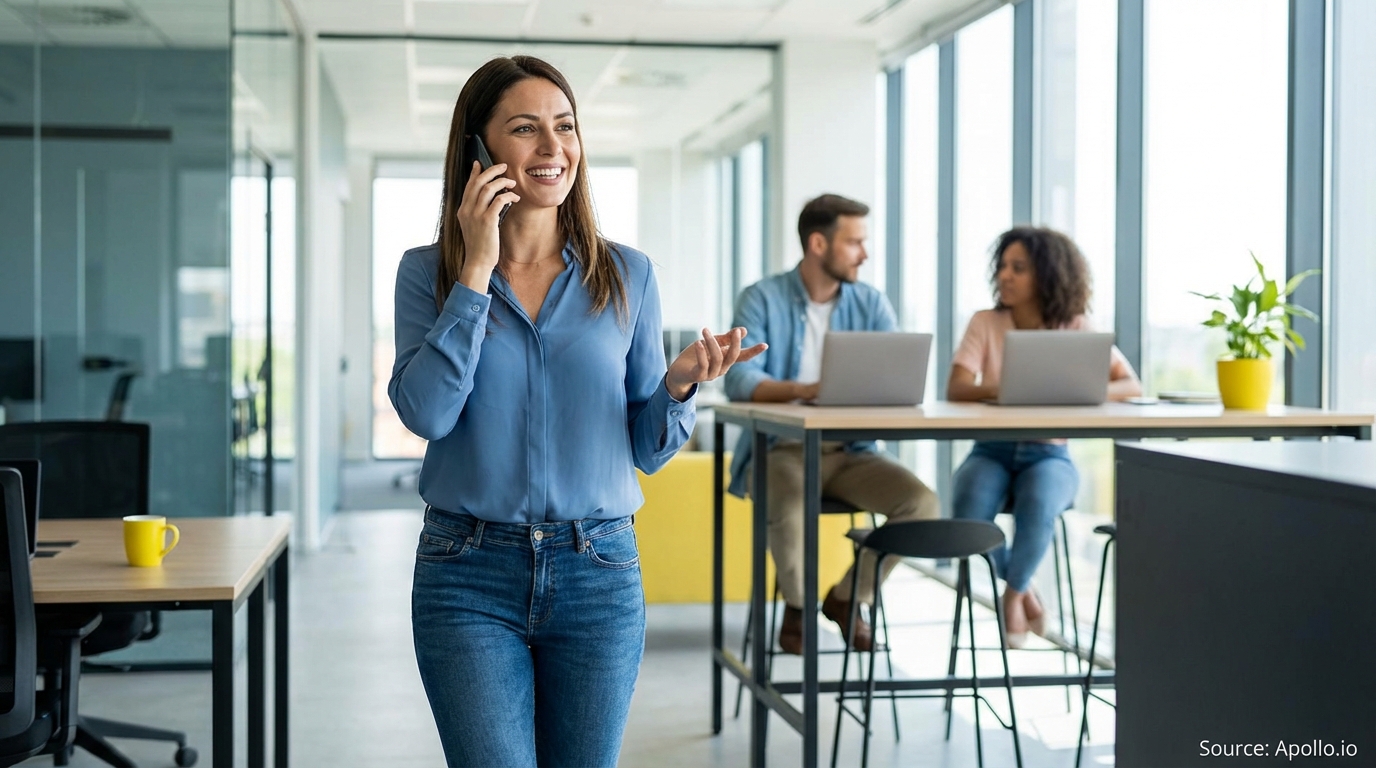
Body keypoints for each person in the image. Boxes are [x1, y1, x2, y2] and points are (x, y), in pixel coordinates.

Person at [388, 55, 764, 767]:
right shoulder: (426, 271)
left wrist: (679, 387)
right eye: (525, 129)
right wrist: (475, 270)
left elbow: (647, 449)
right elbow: (428, 414)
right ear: (478, 149)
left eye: (565, 127)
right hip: (467, 571)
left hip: (598, 568)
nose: (553, 148)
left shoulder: (627, 274)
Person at [724, 194, 940, 655]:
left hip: (853, 452)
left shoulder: (872, 304)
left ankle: (847, 597)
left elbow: (892, 377)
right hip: (785, 447)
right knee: (786, 505)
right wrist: (808, 390)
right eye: (855, 242)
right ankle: (798, 607)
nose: (864, 253)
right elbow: (739, 379)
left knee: (922, 504)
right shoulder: (762, 298)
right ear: (818, 243)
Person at [947, 225, 1141, 647]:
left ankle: (1012, 595)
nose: (1005, 276)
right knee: (967, 511)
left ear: (1048, 275)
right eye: (1002, 267)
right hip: (991, 450)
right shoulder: (986, 322)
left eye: (1018, 268)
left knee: (1039, 503)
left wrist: (1077, 392)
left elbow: (1131, 386)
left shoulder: (1075, 326)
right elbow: (957, 388)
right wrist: (1009, 387)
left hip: (1050, 455)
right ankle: (1025, 588)